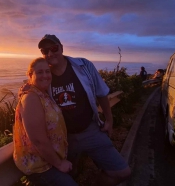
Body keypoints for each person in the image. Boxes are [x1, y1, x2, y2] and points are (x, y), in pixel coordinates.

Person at [20, 34, 131, 186]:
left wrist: (109, 120)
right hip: (63, 139)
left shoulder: (83, 66)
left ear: (62, 47)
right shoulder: (46, 75)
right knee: (70, 175)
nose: (50, 53)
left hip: (89, 130)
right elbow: (35, 87)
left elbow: (101, 93)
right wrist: (26, 88)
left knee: (122, 172)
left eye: (54, 48)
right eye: (45, 51)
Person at [13, 57, 78, 186]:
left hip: (50, 161)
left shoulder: (43, 93)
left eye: (47, 71)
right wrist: (59, 164)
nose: (45, 75)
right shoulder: (31, 97)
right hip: (41, 166)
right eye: (40, 72)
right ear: (31, 75)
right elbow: (38, 140)